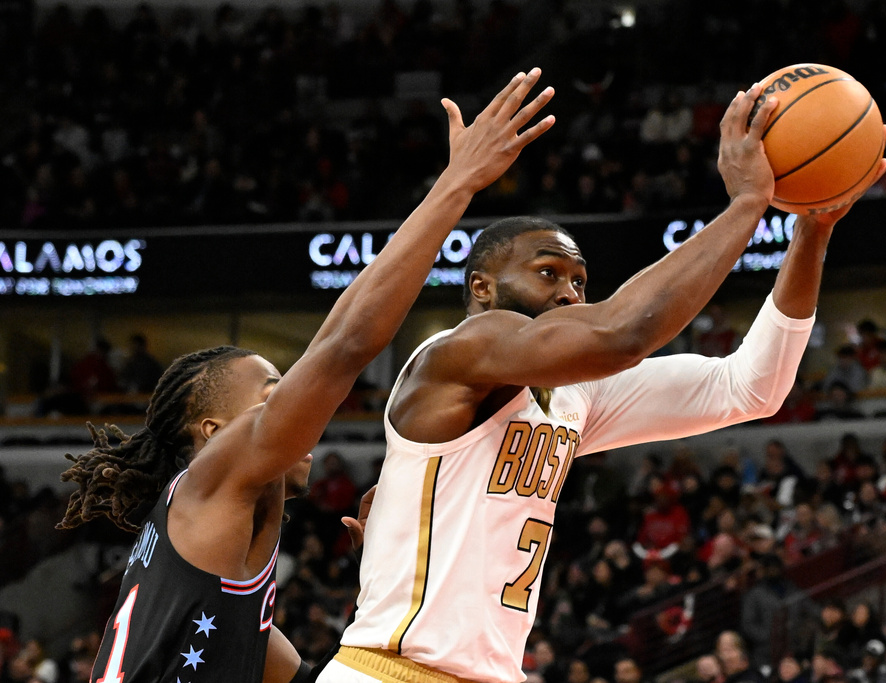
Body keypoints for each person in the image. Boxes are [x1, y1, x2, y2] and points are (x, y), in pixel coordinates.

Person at [319, 84, 886, 683]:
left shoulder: (573, 395)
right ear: (482, 287)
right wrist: (746, 204)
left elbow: (749, 388)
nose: (569, 292)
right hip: (390, 672)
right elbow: (623, 332)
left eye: (580, 281)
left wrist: (811, 235)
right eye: (548, 273)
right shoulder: (458, 353)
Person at [56, 69, 557, 683]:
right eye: (271, 394)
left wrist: (388, 574)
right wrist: (457, 185)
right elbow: (345, 345)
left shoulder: (216, 578)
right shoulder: (213, 476)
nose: (296, 407)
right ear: (212, 430)